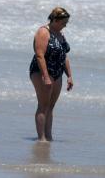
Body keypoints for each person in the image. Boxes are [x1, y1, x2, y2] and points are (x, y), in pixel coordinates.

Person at [29, 7, 73, 142]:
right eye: (63, 23)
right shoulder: (43, 32)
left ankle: (48, 136)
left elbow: (64, 55)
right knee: (43, 105)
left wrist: (69, 76)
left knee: (51, 106)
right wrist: (46, 76)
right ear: (54, 20)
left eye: (66, 23)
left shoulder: (61, 34)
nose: (65, 25)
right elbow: (40, 55)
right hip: (41, 72)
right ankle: (41, 138)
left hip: (57, 72)